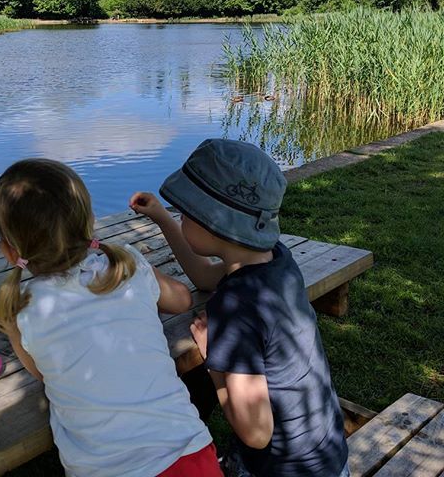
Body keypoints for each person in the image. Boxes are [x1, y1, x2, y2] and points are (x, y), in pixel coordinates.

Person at [0, 158, 222, 477]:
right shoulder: (129, 266)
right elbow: (181, 300)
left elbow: (46, 373)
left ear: (9, 251)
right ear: (90, 222)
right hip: (190, 457)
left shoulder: (22, 308)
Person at [130, 139, 349, 477]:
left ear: (213, 222)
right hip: (328, 457)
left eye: (186, 212)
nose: (182, 216)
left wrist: (213, 360)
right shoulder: (276, 260)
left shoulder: (237, 308)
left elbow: (256, 433)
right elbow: (204, 276)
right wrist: (162, 218)